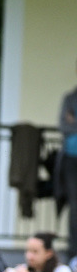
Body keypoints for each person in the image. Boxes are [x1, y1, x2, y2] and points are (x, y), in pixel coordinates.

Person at [59, 60, 77, 260]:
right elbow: (63, 126)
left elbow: (71, 124)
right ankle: (73, 255)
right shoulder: (70, 98)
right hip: (72, 159)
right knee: (75, 209)